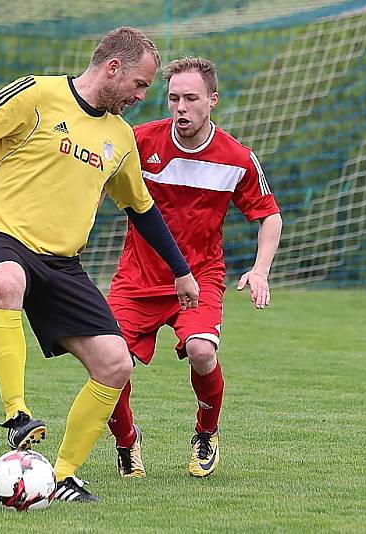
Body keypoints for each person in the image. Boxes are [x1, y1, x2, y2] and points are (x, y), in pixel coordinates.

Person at [0, 27, 199, 502]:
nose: (141, 96)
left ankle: (63, 475)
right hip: (0, 237)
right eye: (140, 84)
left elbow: (142, 210)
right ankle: (16, 415)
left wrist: (181, 270)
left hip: (64, 263)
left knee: (115, 364)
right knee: (7, 280)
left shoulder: (120, 137)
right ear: (114, 68)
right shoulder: (38, 93)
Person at [106, 56, 282, 478]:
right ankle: (127, 440)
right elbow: (95, 182)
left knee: (202, 351)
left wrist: (260, 271)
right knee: (107, 363)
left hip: (201, 276)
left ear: (212, 101)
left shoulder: (236, 158)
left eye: (190, 98)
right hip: (138, 277)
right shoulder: (139, 141)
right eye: (172, 98)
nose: (180, 107)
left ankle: (206, 433)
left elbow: (270, 216)